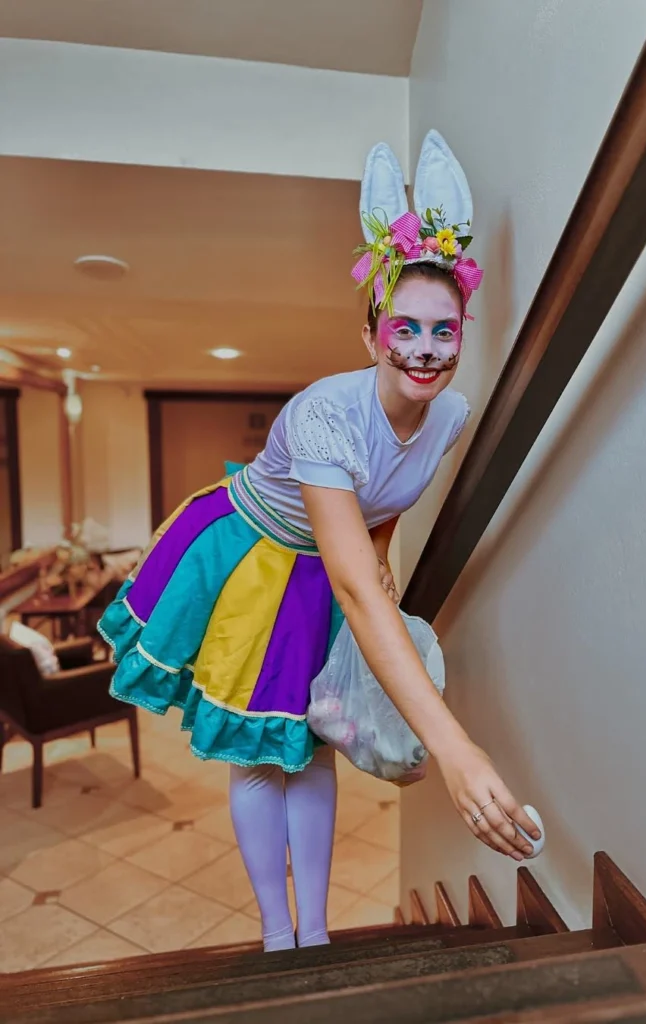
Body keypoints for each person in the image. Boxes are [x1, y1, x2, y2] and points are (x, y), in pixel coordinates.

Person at [98, 130, 539, 952]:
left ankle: (314, 932)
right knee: (263, 749)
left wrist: (380, 545)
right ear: (370, 335)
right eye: (403, 329)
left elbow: (385, 497)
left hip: (327, 567)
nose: (423, 350)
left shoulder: (450, 413)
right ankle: (274, 936)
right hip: (249, 558)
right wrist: (456, 748)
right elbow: (350, 583)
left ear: (461, 334)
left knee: (314, 745)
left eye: (442, 332)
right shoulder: (322, 416)